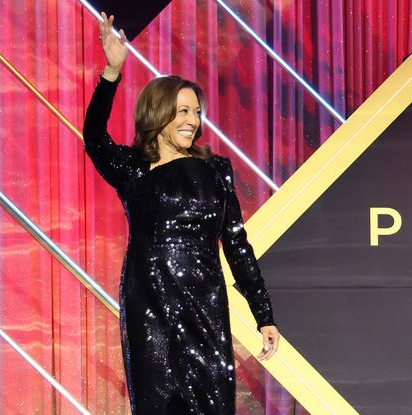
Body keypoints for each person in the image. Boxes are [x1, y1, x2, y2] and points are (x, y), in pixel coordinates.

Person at [83, 11, 280, 415]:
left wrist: (264, 315)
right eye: (184, 111)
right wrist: (111, 72)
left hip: (205, 305)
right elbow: (94, 138)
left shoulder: (216, 170)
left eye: (196, 112)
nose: (194, 120)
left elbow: (237, 245)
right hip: (149, 305)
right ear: (158, 113)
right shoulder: (134, 169)